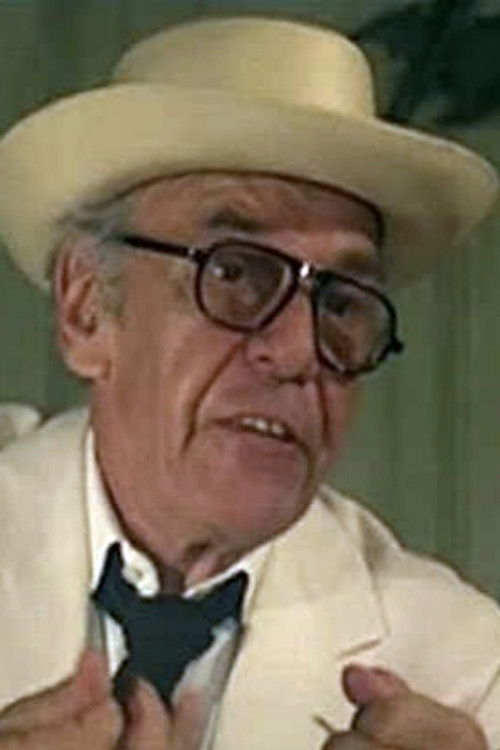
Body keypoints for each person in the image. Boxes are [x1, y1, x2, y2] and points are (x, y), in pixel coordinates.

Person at [0, 16, 498, 750]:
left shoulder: (468, 677)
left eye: (341, 303)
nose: (300, 352)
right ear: (87, 311)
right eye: (233, 272)